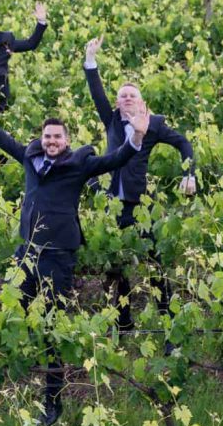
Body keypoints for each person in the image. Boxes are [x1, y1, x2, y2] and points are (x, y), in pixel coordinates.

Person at [0, 77, 148, 426]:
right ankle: (3, 388)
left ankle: (53, 402)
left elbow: (118, 158)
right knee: (15, 312)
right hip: (25, 252)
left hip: (59, 255)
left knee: (52, 326)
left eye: (58, 137)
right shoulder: (30, 158)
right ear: (41, 139)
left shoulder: (80, 164)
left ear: (67, 141)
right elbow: (1, 138)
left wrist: (136, 135)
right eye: (47, 137)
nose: (52, 142)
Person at [83, 37, 196, 334]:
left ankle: (169, 322)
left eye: (132, 95)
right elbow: (96, 91)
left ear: (142, 102)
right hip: (111, 204)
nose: (127, 98)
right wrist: (90, 58)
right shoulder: (111, 120)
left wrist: (189, 173)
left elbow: (183, 142)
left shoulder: (154, 123)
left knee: (154, 262)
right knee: (114, 266)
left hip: (138, 204)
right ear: (117, 103)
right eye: (123, 96)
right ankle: (124, 322)